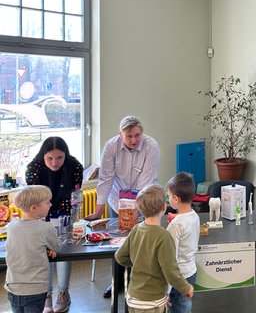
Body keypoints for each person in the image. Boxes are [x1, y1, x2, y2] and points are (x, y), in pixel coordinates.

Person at [84, 115, 160, 298]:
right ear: (120, 135)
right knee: (118, 242)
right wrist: (97, 211)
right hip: (116, 199)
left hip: (144, 199)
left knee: (141, 242)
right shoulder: (111, 146)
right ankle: (117, 281)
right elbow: (106, 178)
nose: (134, 140)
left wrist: (133, 210)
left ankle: (138, 282)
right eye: (129, 136)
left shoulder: (151, 146)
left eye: (137, 135)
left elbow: (145, 182)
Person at [25, 136, 83, 313]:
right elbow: (32, 201)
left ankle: (63, 292)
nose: (55, 162)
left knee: (63, 251)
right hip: (40, 214)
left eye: (59, 158)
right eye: (50, 158)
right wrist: (38, 221)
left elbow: (76, 196)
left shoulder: (75, 166)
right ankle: (47, 294)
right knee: (44, 254)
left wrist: (71, 220)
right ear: (43, 155)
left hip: (65, 213)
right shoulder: (33, 168)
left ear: (66, 156)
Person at [114, 184, 194, 312]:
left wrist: (138, 262)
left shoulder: (135, 229)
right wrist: (186, 288)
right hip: (152, 301)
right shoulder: (163, 237)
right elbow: (171, 271)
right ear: (164, 207)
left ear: (140, 209)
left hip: (133, 297)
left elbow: (119, 256)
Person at [4, 185, 62, 313]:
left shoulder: (12, 226)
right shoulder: (46, 228)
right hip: (35, 289)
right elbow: (57, 246)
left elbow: (25, 243)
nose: (51, 205)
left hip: (13, 287)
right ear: (34, 208)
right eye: (47, 202)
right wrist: (49, 247)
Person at [165, 172, 200, 313]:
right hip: (191, 271)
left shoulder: (175, 225)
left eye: (168, 196)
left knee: (178, 308)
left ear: (176, 199)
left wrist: (166, 291)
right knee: (185, 305)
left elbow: (170, 259)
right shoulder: (194, 216)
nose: (168, 199)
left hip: (177, 278)